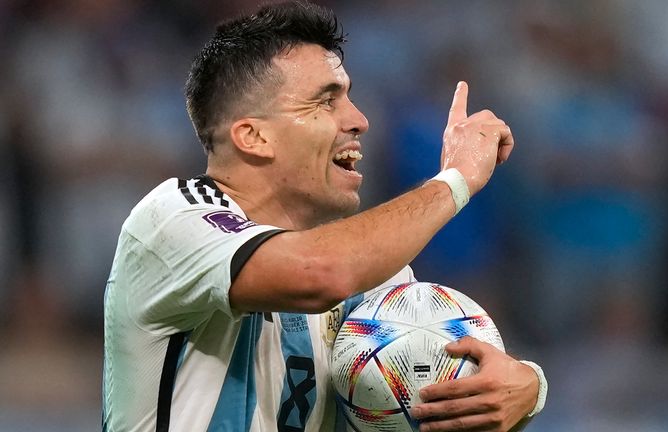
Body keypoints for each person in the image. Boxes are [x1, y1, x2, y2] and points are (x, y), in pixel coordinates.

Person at [102, 1, 547, 431]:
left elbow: (440, 382)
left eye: (349, 97)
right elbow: (319, 272)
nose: (359, 119)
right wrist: (456, 179)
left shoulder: (367, 275)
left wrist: (525, 388)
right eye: (325, 101)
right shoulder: (171, 220)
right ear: (254, 136)